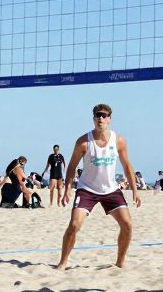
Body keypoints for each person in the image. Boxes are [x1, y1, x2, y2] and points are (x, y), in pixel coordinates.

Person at [57, 103, 141, 270]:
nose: (100, 118)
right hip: (87, 189)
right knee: (74, 225)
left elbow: (127, 166)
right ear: (93, 118)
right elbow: (72, 166)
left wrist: (135, 191)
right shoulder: (83, 142)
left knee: (127, 224)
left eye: (103, 115)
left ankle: (120, 262)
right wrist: (66, 190)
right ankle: (63, 263)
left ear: (110, 119)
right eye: (97, 115)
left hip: (110, 189)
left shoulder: (119, 141)